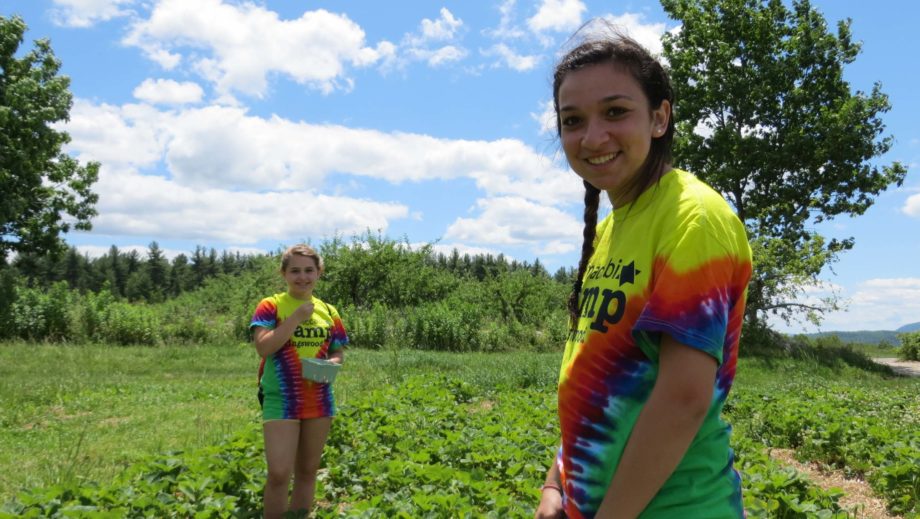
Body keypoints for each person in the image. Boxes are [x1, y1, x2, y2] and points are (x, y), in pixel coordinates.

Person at [535, 23, 752, 519]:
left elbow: (682, 399)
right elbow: (590, 373)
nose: (592, 136)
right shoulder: (613, 228)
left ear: (659, 118)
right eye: (573, 120)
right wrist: (556, 483)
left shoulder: (692, 217)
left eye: (615, 112)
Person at [250, 244, 348, 518]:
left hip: (318, 397)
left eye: (309, 270)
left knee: (307, 471)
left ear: (319, 273)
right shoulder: (271, 306)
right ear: (283, 273)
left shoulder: (329, 311)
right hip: (281, 398)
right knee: (280, 473)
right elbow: (263, 348)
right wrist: (296, 317)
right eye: (295, 271)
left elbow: (338, 350)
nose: (302, 277)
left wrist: (332, 364)